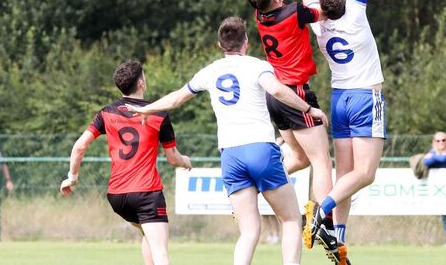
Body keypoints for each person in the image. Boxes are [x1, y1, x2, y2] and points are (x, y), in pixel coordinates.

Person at [125, 17, 329, 265]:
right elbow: (277, 90)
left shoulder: (210, 71)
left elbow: (177, 98)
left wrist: (147, 109)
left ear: (220, 45)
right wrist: (309, 109)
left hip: (230, 156)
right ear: (246, 43)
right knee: (291, 220)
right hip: (260, 149)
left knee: (250, 231)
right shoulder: (257, 66)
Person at [300, 0, 387, 262]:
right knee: (365, 174)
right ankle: (321, 214)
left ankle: (339, 241)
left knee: (345, 175)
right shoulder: (355, 13)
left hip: (340, 99)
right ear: (346, 2)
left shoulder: (318, 24)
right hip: (366, 96)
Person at [244, 0, 334, 234]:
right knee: (322, 161)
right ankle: (323, 223)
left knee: (298, 157)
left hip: (274, 94)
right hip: (295, 94)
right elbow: (328, 10)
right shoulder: (293, 13)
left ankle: (253, 189)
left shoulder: (261, 14)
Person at [59, 59, 193, 265]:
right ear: (141, 83)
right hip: (146, 192)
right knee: (161, 252)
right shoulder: (157, 113)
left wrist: (72, 177)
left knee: (148, 233)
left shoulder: (106, 113)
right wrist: (186, 161)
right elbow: (173, 159)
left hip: (118, 197)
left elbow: (79, 146)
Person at [423, 132, 446, 246]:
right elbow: (426, 162)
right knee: (444, 213)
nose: (441, 143)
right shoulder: (432, 152)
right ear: (434, 142)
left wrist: (434, 157)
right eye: (438, 141)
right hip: (439, 188)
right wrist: (434, 157)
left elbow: (445, 158)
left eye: (443, 140)